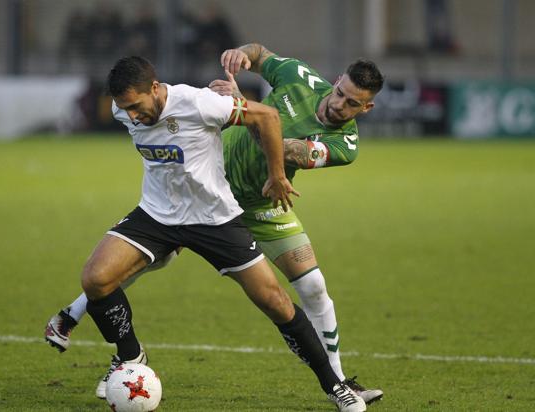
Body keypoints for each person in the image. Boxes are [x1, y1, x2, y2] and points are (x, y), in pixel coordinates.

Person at [48, 44, 385, 405]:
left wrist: (242, 110)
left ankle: (337, 383)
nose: (340, 105)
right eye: (340, 94)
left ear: (367, 108)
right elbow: (258, 55)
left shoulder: (345, 143)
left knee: (301, 290)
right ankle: (119, 348)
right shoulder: (299, 77)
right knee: (116, 271)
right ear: (336, 82)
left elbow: (281, 142)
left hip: (260, 200)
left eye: (352, 104)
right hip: (184, 200)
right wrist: (241, 54)